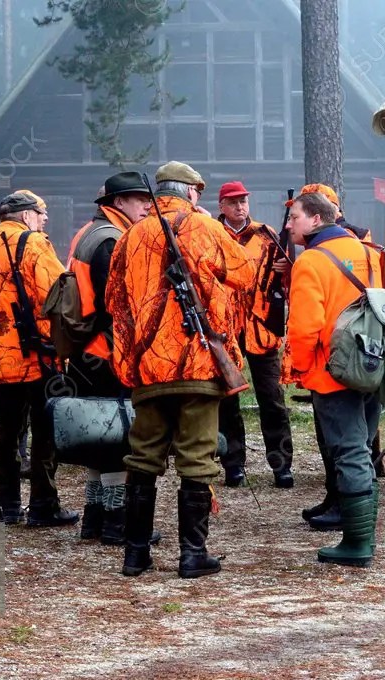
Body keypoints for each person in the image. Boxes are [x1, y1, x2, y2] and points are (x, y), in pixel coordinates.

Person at [106, 161, 254, 578]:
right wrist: (216, 230)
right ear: (190, 193)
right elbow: (244, 274)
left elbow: (113, 302)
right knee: (196, 459)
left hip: (149, 368)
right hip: (200, 364)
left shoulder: (130, 236)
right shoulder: (205, 228)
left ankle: (135, 555)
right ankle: (193, 555)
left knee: (144, 457)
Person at [284, 191, 385, 568]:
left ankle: (357, 542)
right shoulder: (374, 254)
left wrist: (300, 370)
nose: (289, 225)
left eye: (295, 217)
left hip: (333, 372)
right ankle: (361, 536)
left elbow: (304, 328)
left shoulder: (311, 262)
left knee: (348, 452)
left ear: (316, 219)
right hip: (374, 368)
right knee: (363, 448)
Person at [0, 191, 78, 528]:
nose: (45, 219)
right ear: (26, 215)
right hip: (34, 353)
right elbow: (57, 291)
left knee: (6, 433)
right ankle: (44, 505)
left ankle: (9, 506)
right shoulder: (34, 244)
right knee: (44, 431)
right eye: (41, 213)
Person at [65, 171, 154, 544]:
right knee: (117, 438)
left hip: (86, 351)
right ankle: (117, 523)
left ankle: (94, 519)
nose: (147, 206)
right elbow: (116, 304)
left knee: (97, 439)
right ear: (118, 203)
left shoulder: (88, 232)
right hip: (107, 351)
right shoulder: (112, 241)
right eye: (139, 200)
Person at [215, 180, 295, 489]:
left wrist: (287, 269)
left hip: (261, 329)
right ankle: (233, 465)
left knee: (272, 400)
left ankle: (281, 466)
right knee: (228, 400)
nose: (240, 206)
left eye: (243, 201)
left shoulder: (268, 235)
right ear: (221, 206)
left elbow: (286, 281)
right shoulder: (211, 234)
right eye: (233, 202)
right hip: (225, 330)